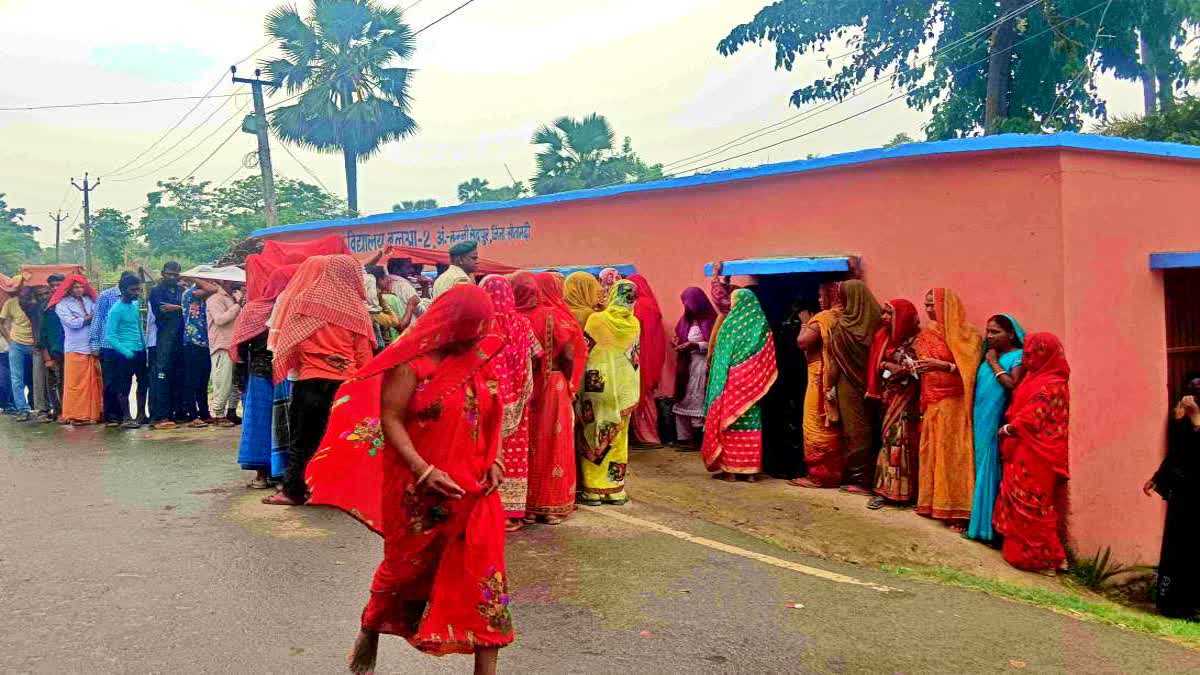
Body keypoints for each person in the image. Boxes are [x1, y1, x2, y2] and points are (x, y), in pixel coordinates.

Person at [303, 284, 512, 674]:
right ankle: (370, 628)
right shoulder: (412, 363)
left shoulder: (480, 359)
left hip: (478, 491)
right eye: (473, 326)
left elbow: (492, 414)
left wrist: (496, 458)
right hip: (422, 490)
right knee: (406, 570)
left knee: (486, 578)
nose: (479, 334)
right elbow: (391, 418)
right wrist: (423, 470)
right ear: (453, 322)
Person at [263, 254, 375, 506]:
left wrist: (320, 355)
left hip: (310, 381)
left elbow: (291, 343)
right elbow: (364, 354)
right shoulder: (356, 308)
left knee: (303, 440)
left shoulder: (302, 302)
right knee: (341, 441)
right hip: (345, 385)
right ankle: (338, 491)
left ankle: (294, 491)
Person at [993, 332, 1071, 574]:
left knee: (1032, 504)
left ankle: (1043, 560)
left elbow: (1033, 417)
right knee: (1025, 502)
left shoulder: (1051, 383)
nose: (1027, 358)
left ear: (1045, 355)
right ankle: (1041, 557)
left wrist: (1008, 428)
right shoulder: (1035, 378)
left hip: (1037, 453)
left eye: (1032, 353)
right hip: (1023, 450)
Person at [515, 272, 586, 523]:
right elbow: (568, 353)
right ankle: (552, 506)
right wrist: (570, 380)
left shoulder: (515, 316)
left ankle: (528, 506)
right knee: (554, 444)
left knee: (530, 445)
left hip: (523, 389)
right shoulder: (552, 316)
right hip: (553, 384)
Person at [913, 288, 983, 530]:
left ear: (947, 306)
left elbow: (971, 372)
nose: (928, 309)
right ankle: (933, 503)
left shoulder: (967, 336)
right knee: (933, 452)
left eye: (932, 304)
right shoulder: (927, 334)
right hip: (933, 402)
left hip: (955, 403)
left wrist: (944, 366)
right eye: (926, 304)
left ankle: (959, 510)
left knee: (954, 454)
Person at [480, 274, 541, 531]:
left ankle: (491, 510)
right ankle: (513, 512)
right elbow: (537, 355)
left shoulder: (481, 323)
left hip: (486, 398)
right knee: (516, 455)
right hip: (517, 399)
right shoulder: (522, 323)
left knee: (488, 452)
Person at [702, 288, 778, 482]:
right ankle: (751, 472)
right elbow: (768, 357)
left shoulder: (731, 325)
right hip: (754, 387)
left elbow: (721, 358)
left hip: (731, 384)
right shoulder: (763, 326)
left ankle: (730, 471)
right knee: (751, 425)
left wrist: (716, 385)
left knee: (729, 425)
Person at [232, 267, 295, 488]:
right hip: (286, 373)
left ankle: (261, 475)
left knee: (259, 422)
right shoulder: (291, 307)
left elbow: (239, 350)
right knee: (285, 423)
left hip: (258, 373)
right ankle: (282, 475)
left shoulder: (252, 309)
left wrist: (240, 381)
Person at [579, 279, 641, 505]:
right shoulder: (634, 323)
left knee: (594, 434)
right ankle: (615, 490)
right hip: (625, 389)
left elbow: (584, 351)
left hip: (597, 387)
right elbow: (633, 359)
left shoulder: (596, 320)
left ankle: (593, 490)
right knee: (618, 439)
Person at [1144, 373, 1200, 619]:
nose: (1193, 393)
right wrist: (1157, 477)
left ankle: (1192, 605)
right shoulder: (1183, 417)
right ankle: (1172, 603)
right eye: (1191, 388)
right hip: (1182, 495)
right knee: (1176, 547)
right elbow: (1178, 453)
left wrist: (1197, 419)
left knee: (1194, 550)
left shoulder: (1195, 417)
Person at [967, 314, 1026, 543]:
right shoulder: (990, 354)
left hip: (996, 418)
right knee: (980, 463)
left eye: (995, 332)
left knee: (989, 467)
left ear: (1011, 334)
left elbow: (1013, 385)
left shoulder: (1016, 357)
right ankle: (978, 523)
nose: (990, 336)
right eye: (988, 331)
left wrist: (992, 363)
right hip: (980, 416)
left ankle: (989, 530)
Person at [865, 299, 921, 509]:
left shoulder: (918, 341)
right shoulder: (884, 338)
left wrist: (890, 366)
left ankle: (902, 493)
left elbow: (916, 369)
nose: (884, 317)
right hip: (888, 396)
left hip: (908, 400)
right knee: (889, 442)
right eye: (884, 312)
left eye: (890, 314)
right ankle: (885, 490)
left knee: (901, 442)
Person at [828, 279, 882, 493]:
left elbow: (835, 363)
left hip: (848, 385)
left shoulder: (843, 327)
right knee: (869, 427)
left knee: (854, 430)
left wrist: (828, 386)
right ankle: (869, 476)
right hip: (872, 385)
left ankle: (860, 479)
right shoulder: (877, 321)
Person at [792, 282, 846, 489]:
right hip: (834, 376)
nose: (820, 300)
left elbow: (803, 342)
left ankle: (819, 475)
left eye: (823, 296)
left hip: (819, 376)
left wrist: (805, 321)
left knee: (815, 423)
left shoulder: (824, 318)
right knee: (831, 424)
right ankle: (833, 472)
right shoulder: (844, 316)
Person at [51, 275, 101, 425]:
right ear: (69, 289)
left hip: (91, 345)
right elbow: (71, 323)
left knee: (93, 383)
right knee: (75, 384)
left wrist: (88, 318)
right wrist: (88, 319)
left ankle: (94, 413)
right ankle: (77, 415)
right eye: (75, 287)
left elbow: (97, 317)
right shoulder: (62, 305)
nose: (79, 290)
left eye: (81, 287)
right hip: (74, 347)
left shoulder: (89, 301)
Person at [672, 287, 717, 450]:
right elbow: (679, 334)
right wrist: (677, 343)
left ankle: (698, 439)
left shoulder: (711, 320)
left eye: (689, 303)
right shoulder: (685, 320)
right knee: (683, 397)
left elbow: (714, 344)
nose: (686, 306)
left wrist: (695, 345)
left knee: (697, 397)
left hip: (702, 364)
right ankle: (683, 438)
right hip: (687, 364)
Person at [102, 274, 146, 429]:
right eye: (133, 290)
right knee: (124, 385)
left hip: (139, 350)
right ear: (122, 290)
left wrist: (143, 346)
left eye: (138, 290)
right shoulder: (116, 310)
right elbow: (110, 336)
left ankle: (141, 415)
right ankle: (126, 417)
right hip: (124, 353)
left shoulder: (134, 306)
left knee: (143, 384)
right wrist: (126, 352)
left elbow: (138, 328)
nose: (136, 293)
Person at [628, 274, 666, 446]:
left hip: (641, 357)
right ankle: (649, 436)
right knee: (647, 395)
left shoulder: (640, 307)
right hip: (651, 357)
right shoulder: (651, 305)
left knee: (642, 396)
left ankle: (647, 437)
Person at [149, 262, 185, 430]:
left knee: (178, 374)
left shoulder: (180, 290)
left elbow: (183, 309)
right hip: (164, 337)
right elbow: (162, 309)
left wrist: (177, 307)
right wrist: (181, 308)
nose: (172, 277)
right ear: (163, 273)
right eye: (169, 274)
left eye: (175, 274)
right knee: (162, 374)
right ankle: (161, 416)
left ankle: (176, 413)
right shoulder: (156, 291)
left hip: (180, 336)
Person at [203, 281, 243, 427]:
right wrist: (238, 306)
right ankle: (218, 414)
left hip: (236, 344)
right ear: (222, 281)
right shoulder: (214, 299)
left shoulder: (236, 297)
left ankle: (231, 411)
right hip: (222, 344)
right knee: (223, 381)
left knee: (235, 383)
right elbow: (220, 320)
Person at [1, 284, 36, 420]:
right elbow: (1, 322)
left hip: (36, 345)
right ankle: (23, 409)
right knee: (17, 379)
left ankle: (40, 407)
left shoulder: (36, 301)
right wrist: (9, 339)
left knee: (37, 378)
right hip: (17, 345)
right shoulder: (10, 303)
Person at [179, 282, 212, 427]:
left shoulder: (205, 295)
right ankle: (192, 415)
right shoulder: (191, 292)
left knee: (203, 380)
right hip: (192, 341)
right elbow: (212, 289)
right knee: (191, 381)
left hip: (206, 342)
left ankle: (204, 412)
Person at [39, 274, 66, 422]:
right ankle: (58, 411)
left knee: (66, 382)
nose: (56, 288)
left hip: (70, 350)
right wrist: (46, 357)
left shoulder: (70, 301)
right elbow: (41, 333)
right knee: (53, 382)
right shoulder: (47, 306)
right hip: (52, 351)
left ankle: (69, 410)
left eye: (59, 284)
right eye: (53, 286)